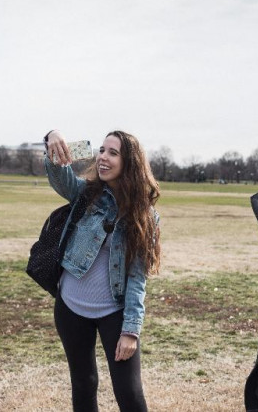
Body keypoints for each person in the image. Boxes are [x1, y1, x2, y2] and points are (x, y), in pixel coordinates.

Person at [43, 129, 161, 412]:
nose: (103, 158)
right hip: (71, 307)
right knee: (84, 384)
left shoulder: (144, 216)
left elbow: (137, 276)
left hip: (114, 311)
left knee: (129, 394)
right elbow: (59, 175)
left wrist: (131, 330)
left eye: (113, 153)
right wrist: (52, 139)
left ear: (129, 162)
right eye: (101, 150)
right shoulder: (86, 194)